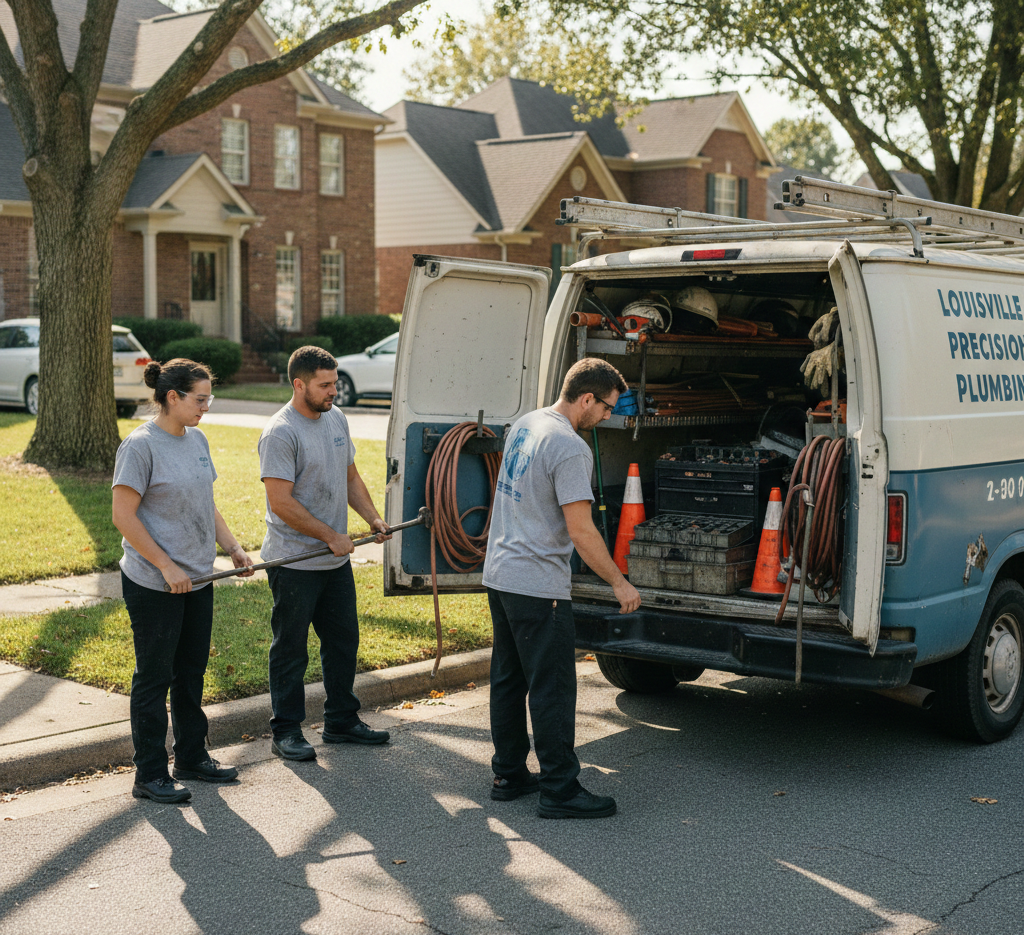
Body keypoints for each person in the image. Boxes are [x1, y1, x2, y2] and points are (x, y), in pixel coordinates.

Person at [483, 357, 642, 819]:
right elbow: (581, 530)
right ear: (586, 398)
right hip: (538, 585)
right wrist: (619, 582)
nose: (607, 416)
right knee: (551, 686)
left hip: (501, 574)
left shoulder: (527, 423)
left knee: (508, 680)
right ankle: (559, 789)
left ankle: (508, 774)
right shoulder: (570, 447)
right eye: (607, 407)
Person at [112, 359, 254, 805]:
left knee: (191, 673)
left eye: (209, 398)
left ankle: (191, 756)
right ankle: (150, 773)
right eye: (200, 399)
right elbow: (123, 516)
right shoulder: (140, 447)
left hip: (198, 578)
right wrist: (165, 566)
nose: (206, 407)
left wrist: (232, 547)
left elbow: (205, 503)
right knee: (155, 677)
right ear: (172, 397)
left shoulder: (197, 439)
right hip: (154, 583)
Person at [258, 345, 392, 761]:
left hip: (334, 560)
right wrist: (330, 535)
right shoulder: (281, 432)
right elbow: (280, 502)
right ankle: (286, 730)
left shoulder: (336, 417)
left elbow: (349, 476)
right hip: (293, 561)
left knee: (343, 642)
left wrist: (373, 518)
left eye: (334, 383)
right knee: (291, 649)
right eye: (325, 385)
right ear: (299, 385)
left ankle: (341, 720)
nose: (334, 390)